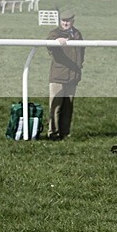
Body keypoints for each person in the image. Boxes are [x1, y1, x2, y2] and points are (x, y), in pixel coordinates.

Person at [46, 9, 84, 140]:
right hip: (58, 76)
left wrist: (79, 69)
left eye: (68, 21)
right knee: (55, 106)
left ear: (73, 20)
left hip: (73, 76)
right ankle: (53, 133)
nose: (65, 23)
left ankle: (65, 133)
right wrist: (57, 40)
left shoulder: (77, 34)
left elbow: (81, 53)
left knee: (68, 107)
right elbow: (49, 44)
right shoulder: (55, 33)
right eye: (63, 21)